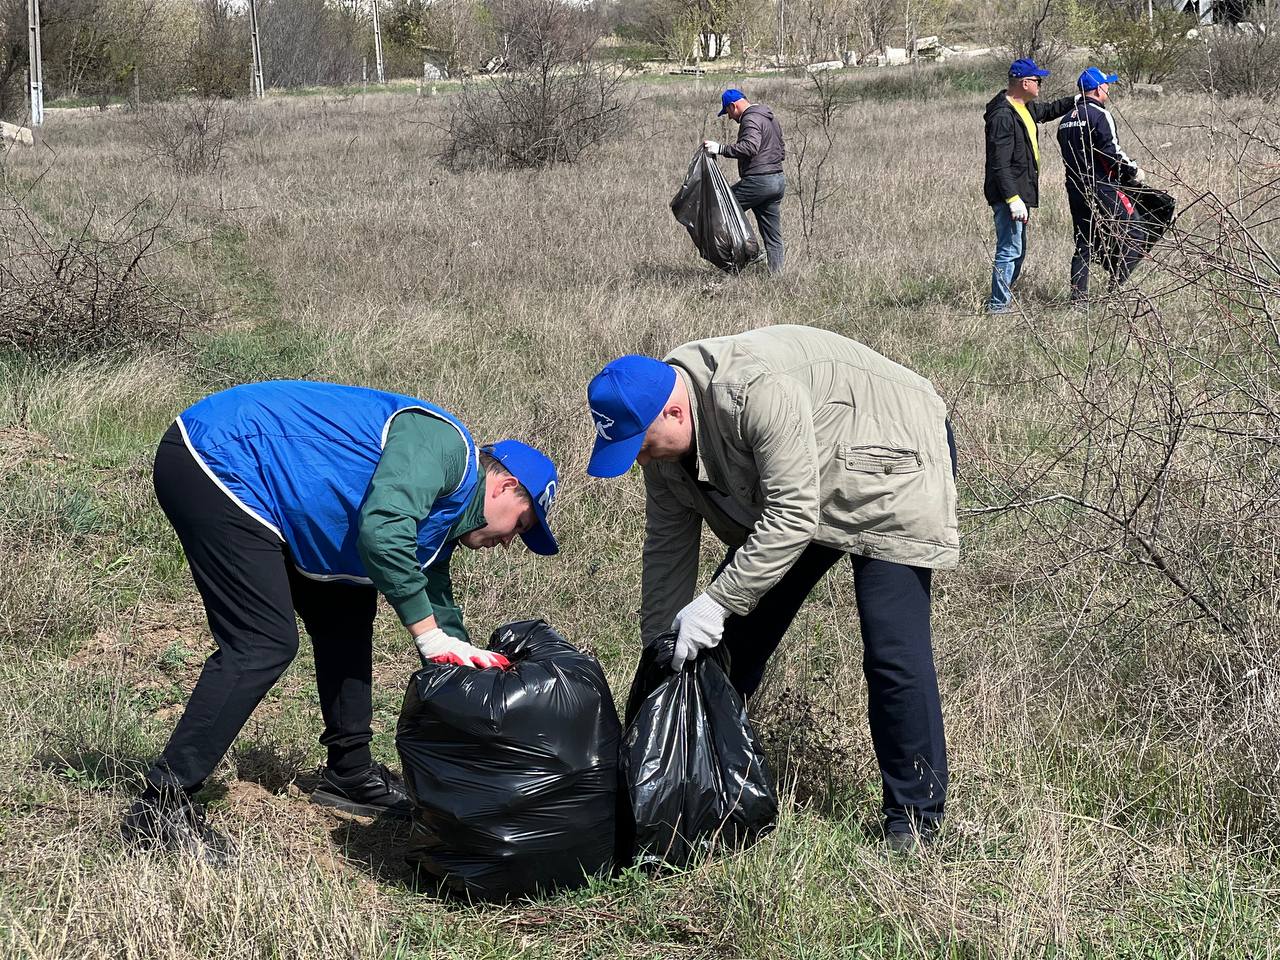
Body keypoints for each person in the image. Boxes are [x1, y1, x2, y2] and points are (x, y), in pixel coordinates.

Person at [121, 380, 560, 862]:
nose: (511, 542)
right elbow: (382, 532)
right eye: (521, 525)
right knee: (261, 643)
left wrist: (461, 663)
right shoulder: (445, 447)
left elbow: (431, 590)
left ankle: (348, 773)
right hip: (220, 457)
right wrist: (428, 637)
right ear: (505, 486)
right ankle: (161, 805)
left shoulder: (448, 516)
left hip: (274, 491)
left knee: (348, 613)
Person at [586, 326, 959, 849]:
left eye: (640, 446)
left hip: (890, 452)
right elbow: (666, 552)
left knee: (892, 651)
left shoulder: (754, 391)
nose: (641, 461)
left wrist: (715, 603)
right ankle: (705, 781)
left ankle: (915, 820)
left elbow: (791, 516)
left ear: (672, 412)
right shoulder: (663, 445)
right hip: (806, 473)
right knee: (727, 640)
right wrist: (662, 650)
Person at [983, 58, 1076, 314]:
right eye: (1038, 81)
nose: (1040, 85)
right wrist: (1013, 198)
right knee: (1009, 250)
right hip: (1009, 195)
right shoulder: (1003, 115)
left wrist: (1076, 100)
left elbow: (1048, 111)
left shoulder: (1025, 107)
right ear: (1025, 82)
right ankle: (998, 307)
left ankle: (1003, 298)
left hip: (1021, 192)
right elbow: (998, 163)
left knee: (1017, 249)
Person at [1056, 66, 1149, 304]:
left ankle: (1078, 301)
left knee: (1084, 243)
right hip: (1102, 186)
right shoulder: (1100, 115)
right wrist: (1134, 170)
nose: (1108, 88)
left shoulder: (1066, 120)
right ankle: (1115, 294)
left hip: (1075, 188)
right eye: (1106, 84)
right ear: (1098, 89)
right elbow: (1111, 151)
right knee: (1138, 234)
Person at [702, 89, 787, 273]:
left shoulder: (750, 119)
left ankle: (750, 253)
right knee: (773, 236)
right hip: (778, 181)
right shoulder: (769, 117)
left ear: (733, 106)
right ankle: (777, 278)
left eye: (728, 112)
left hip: (759, 182)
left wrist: (720, 148)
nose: (730, 118)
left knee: (719, 210)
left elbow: (749, 147)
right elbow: (781, 149)